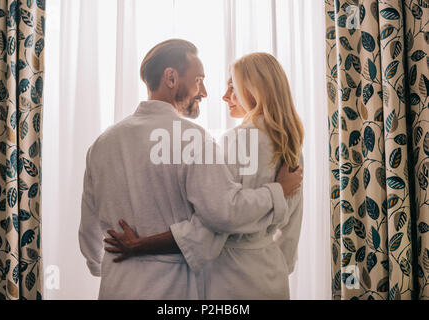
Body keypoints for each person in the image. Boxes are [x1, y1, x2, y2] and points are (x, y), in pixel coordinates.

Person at [79, 40, 303, 299]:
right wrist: (277, 193)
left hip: (115, 285)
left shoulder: (102, 143)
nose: (205, 92)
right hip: (171, 289)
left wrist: (102, 264)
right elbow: (222, 212)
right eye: (199, 80)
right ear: (171, 78)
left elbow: (89, 232)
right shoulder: (193, 138)